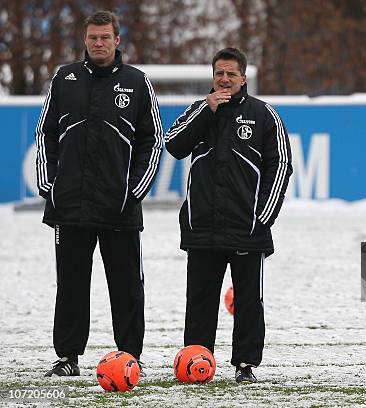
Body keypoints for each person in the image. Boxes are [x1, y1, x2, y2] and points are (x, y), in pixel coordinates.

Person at [35, 10, 163, 376]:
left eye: (105, 37)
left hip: (119, 208)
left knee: (126, 288)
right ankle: (68, 358)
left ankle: (130, 358)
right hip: (70, 205)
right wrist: (50, 184)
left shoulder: (138, 82)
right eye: (93, 38)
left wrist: (133, 191)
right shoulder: (64, 78)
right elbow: (44, 134)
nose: (99, 43)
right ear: (85, 40)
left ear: (117, 40)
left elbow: (152, 141)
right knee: (71, 285)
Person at [165, 48, 292, 383]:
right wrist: (206, 111)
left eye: (231, 74)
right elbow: (174, 145)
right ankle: (196, 361)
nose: (224, 79)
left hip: (247, 228)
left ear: (244, 78)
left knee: (249, 301)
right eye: (219, 74)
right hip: (202, 227)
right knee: (200, 301)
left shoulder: (264, 115)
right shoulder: (199, 110)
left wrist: (262, 217)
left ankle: (245, 364)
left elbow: (280, 166)